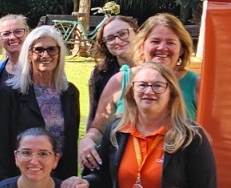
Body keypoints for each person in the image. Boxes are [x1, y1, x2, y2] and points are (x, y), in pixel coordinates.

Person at [65, 64, 217, 188]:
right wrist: (85, 182)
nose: (148, 91)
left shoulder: (190, 137)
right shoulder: (117, 130)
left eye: (157, 86)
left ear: (171, 92)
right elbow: (103, 177)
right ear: (131, 91)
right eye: (142, 85)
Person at [81, 13, 200, 162]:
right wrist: (87, 140)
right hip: (123, 175)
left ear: (182, 49)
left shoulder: (196, 85)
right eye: (155, 41)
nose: (162, 48)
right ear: (143, 45)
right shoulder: (120, 81)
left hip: (176, 177)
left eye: (170, 42)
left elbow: (210, 139)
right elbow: (98, 130)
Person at [0, 25, 81, 182]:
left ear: (59, 54)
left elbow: (71, 144)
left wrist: (70, 182)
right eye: (39, 50)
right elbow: (1, 145)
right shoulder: (10, 92)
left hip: (58, 180)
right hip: (20, 178)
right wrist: (2, 187)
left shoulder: (70, 93)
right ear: (29, 55)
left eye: (51, 49)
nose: (45, 55)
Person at [86, 13, 137, 115]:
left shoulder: (154, 70)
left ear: (137, 33)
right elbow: (93, 116)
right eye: (110, 38)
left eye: (122, 34)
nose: (117, 41)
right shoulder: (100, 73)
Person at [0, 14, 31, 88]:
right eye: (6, 34)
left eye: (18, 32)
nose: (12, 37)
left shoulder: (39, 67)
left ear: (27, 33)